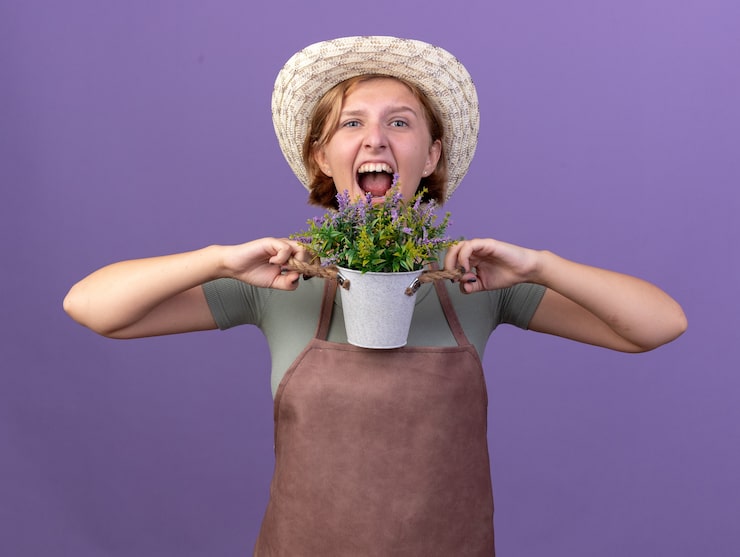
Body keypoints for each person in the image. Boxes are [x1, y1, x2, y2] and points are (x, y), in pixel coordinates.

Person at [64, 36, 687, 556]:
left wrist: (541, 266)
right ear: (321, 155)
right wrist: (218, 260)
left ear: (432, 155)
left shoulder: (476, 279)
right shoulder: (281, 277)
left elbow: (659, 324)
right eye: (352, 123)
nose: (376, 139)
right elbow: (92, 307)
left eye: (400, 122)